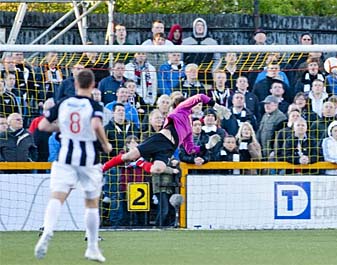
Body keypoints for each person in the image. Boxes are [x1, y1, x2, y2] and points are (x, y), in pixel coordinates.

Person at [34, 69, 112, 262]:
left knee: (57, 196)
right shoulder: (94, 104)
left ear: (75, 84)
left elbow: (42, 126)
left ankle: (48, 230)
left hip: (65, 158)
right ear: (93, 85)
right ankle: (92, 247)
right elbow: (95, 125)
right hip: (88, 159)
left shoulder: (63, 103)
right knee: (91, 202)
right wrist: (105, 143)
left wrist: (62, 127)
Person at [102, 94, 228, 175]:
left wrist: (207, 146)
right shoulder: (181, 110)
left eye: (200, 106)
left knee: (158, 169)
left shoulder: (189, 129)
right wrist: (216, 106)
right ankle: (102, 169)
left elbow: (190, 150)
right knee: (128, 156)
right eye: (197, 105)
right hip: (160, 139)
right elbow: (200, 96)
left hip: (169, 149)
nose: (198, 107)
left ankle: (140, 162)